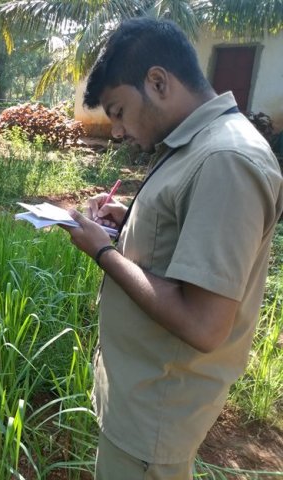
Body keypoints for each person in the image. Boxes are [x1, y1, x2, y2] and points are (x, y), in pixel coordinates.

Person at [62, 18, 283, 479]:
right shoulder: (196, 144)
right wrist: (131, 221)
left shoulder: (226, 159)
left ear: (158, 82)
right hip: (141, 393)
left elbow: (204, 324)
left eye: (119, 111)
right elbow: (180, 241)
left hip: (156, 411)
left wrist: (103, 252)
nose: (117, 131)